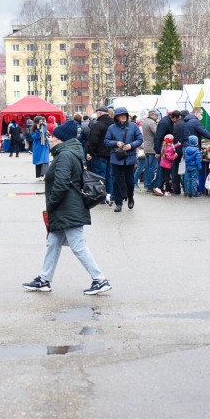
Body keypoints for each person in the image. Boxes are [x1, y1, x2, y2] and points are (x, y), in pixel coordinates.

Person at [23, 120, 111, 296]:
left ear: (62, 139)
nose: (52, 139)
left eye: (54, 137)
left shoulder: (64, 155)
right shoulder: (70, 152)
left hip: (67, 208)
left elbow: (61, 183)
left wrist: (51, 204)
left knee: (78, 246)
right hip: (67, 207)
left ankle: (100, 280)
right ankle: (44, 279)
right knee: (53, 243)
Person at [104, 107, 143, 212]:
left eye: (125, 114)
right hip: (116, 158)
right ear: (116, 117)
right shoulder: (111, 128)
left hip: (129, 158)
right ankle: (118, 203)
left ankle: (130, 197)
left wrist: (131, 145)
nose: (123, 116)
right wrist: (116, 143)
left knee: (130, 181)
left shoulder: (133, 126)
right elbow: (106, 141)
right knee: (116, 181)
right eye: (121, 115)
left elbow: (140, 139)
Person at [86, 107, 114, 203]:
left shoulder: (98, 124)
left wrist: (89, 152)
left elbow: (93, 140)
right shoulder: (114, 124)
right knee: (109, 175)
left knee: (100, 175)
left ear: (99, 113)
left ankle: (101, 197)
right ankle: (110, 195)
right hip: (111, 153)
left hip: (99, 153)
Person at [137, 110, 159, 192]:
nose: (157, 117)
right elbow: (157, 133)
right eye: (156, 115)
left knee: (147, 167)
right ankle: (148, 184)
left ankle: (146, 183)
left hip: (146, 147)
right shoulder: (152, 123)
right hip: (152, 148)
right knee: (152, 167)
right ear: (152, 115)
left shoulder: (145, 121)